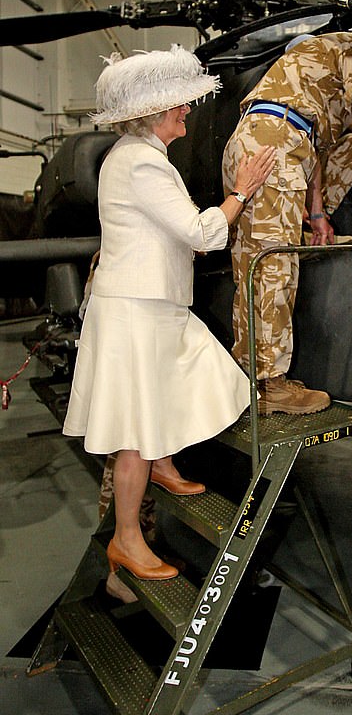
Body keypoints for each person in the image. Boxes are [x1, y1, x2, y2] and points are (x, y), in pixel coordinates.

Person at [63, 44, 275, 582]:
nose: (188, 110)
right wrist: (241, 193)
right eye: (180, 104)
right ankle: (127, 541)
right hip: (138, 310)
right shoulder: (141, 163)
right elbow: (200, 233)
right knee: (137, 427)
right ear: (157, 112)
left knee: (192, 376)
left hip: (149, 306)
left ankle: (162, 466)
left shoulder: (137, 158)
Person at [222, 8, 352, 416]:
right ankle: (269, 387)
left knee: (258, 265)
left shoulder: (325, 57)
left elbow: (321, 142)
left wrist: (317, 215)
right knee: (273, 268)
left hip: (268, 143)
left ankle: (254, 378)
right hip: (275, 151)